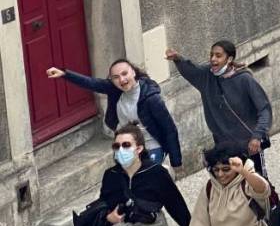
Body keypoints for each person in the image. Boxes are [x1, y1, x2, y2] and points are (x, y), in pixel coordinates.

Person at [46, 60, 182, 169]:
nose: (122, 80)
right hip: (126, 148)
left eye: (125, 74)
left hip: (151, 147)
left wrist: (176, 162)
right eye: (116, 77)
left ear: (133, 72)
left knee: (147, 186)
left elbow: (169, 129)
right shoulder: (115, 90)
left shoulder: (151, 98)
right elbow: (91, 83)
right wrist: (64, 74)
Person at [165, 41, 272, 172]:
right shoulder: (207, 77)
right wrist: (178, 58)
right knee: (230, 183)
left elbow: (264, 108)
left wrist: (257, 135)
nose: (213, 59)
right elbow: (192, 71)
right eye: (211, 55)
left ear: (230, 59)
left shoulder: (244, 79)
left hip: (249, 144)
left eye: (218, 55)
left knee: (257, 182)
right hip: (224, 146)